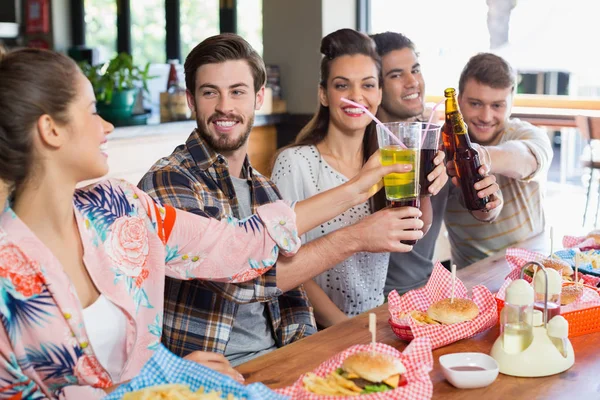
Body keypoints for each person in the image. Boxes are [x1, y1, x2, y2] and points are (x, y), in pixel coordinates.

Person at [0, 48, 406, 399]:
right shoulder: (6, 270)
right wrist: (169, 380)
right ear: (50, 129)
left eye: (238, 91)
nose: (106, 125)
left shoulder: (118, 206)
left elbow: (236, 247)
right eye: (91, 111)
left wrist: (359, 187)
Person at [138, 33, 416, 363]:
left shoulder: (265, 191)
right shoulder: (168, 180)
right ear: (191, 99)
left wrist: (314, 358)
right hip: (212, 373)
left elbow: (291, 293)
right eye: (210, 92)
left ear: (258, 98)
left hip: (285, 360)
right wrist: (355, 235)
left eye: (237, 92)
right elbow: (240, 278)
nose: (225, 106)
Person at [271, 28, 436, 328]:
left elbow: (415, 231)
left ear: (379, 94)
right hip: (317, 333)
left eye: (368, 85)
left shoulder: (385, 159)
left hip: (374, 323)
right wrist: (345, 329)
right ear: (324, 94)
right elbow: (282, 269)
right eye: (342, 85)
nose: (357, 96)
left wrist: (422, 185)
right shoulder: (294, 163)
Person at [371, 32, 501, 294]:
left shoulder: (438, 138)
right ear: (376, 86)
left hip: (427, 289)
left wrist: (490, 201)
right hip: (376, 297)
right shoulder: (367, 146)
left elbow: (480, 210)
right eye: (396, 75)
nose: (413, 82)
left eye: (415, 70)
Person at [445, 52, 553, 268]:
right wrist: (489, 206)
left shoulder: (528, 135)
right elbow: (484, 213)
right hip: (470, 275)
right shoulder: (444, 144)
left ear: (511, 101)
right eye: (475, 104)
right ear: (458, 101)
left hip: (534, 268)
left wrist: (480, 157)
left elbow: (524, 158)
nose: (486, 117)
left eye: (497, 106)